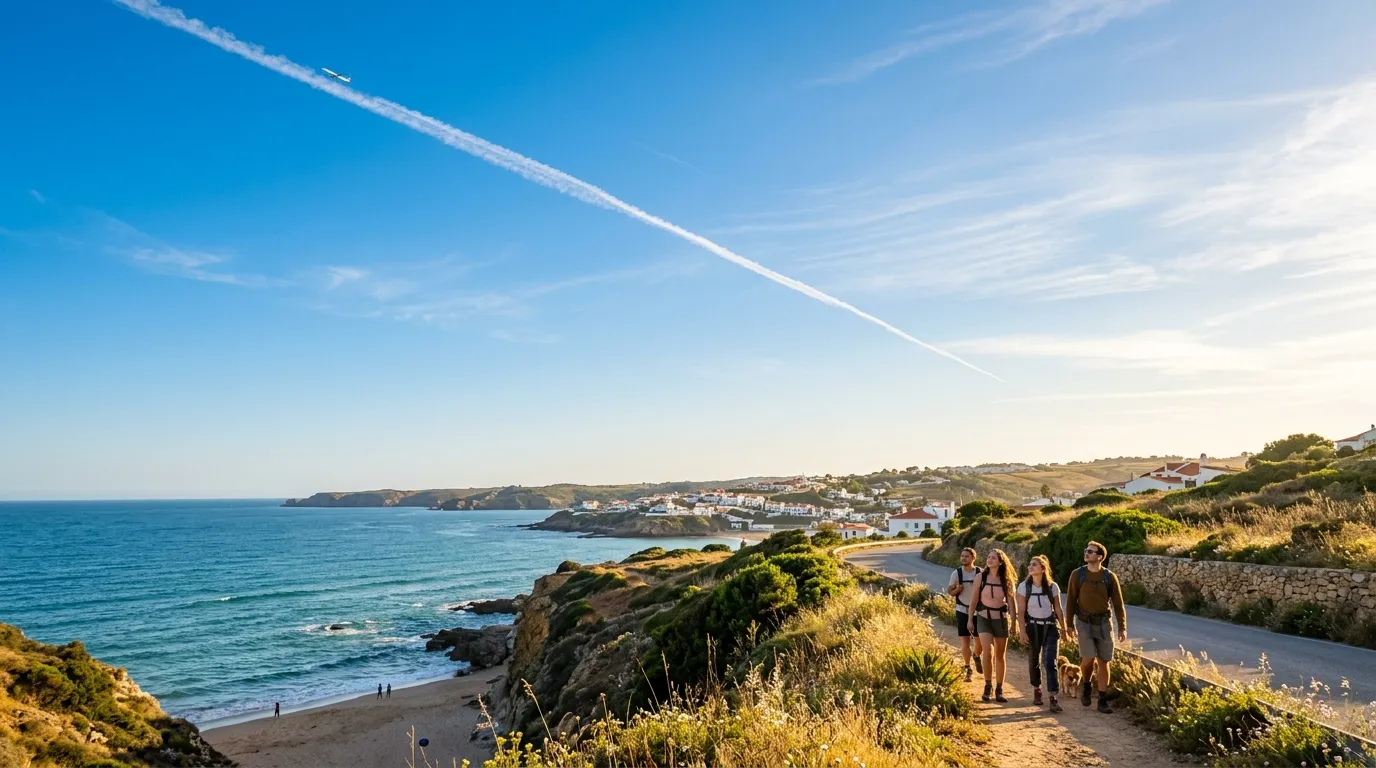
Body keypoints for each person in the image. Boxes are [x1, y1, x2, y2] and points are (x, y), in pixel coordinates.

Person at [1064, 540, 1128, 713]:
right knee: (1088, 658)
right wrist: (1069, 624)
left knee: (1104, 661)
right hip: (1084, 622)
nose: (1086, 553)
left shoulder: (1109, 577)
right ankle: (1086, 685)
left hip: (1104, 623)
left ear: (1100, 557)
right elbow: (1071, 600)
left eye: (1091, 551)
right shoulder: (1077, 575)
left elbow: (1118, 604)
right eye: (1086, 550)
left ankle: (1102, 699)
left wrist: (1122, 627)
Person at [1017, 554, 1068, 712]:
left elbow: (1058, 609)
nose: (1030, 567)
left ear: (1043, 569)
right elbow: (1021, 612)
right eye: (1030, 564)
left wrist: (1064, 629)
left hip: (1050, 627)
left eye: (1034, 564)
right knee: (1033, 660)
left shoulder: (1052, 587)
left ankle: (1053, 697)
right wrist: (1022, 631)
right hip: (1032, 627)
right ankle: (1037, 689)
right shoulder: (1024, 587)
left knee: (1050, 662)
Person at [968, 549, 1019, 703]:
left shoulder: (1007, 580)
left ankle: (999, 689)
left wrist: (1014, 623)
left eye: (993, 558)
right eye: (988, 557)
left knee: (1000, 655)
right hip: (983, 617)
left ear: (1001, 562)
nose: (989, 560)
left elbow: (1012, 603)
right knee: (987, 652)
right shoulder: (980, 577)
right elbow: (974, 599)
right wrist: (970, 619)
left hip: (1000, 619)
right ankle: (988, 686)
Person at [946, 547, 984, 681]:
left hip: (978, 611)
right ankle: (967, 667)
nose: (963, 558)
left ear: (973, 558)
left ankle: (976, 655)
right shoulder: (956, 573)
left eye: (966, 556)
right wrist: (957, 590)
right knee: (965, 640)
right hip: (962, 610)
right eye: (962, 556)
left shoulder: (980, 572)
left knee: (979, 642)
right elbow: (950, 591)